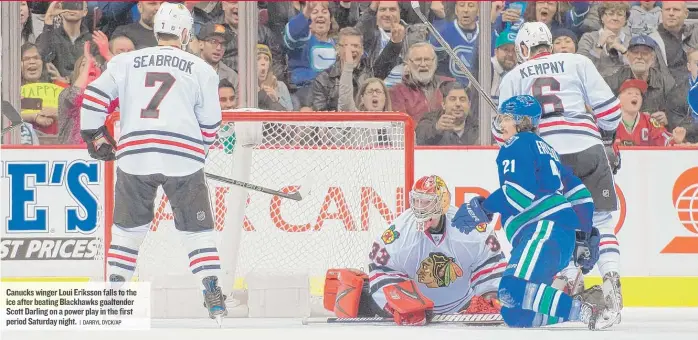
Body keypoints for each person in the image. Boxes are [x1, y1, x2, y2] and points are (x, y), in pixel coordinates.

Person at [78, 3, 226, 323]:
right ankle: (212, 291)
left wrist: (95, 136)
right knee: (197, 232)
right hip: (183, 161)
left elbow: (93, 97)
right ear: (185, 34)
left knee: (127, 232)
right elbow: (212, 124)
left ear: (157, 30)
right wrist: (199, 153)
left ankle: (116, 290)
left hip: (136, 157)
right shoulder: (201, 68)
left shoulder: (125, 62)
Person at [496, 22, 623, 322]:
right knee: (602, 223)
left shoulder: (513, 76)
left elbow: (502, 133)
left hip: (545, 154)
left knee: (557, 225)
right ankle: (612, 285)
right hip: (588, 147)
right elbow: (611, 112)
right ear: (549, 45)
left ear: (524, 50)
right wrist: (605, 140)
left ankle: (568, 283)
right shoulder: (578, 61)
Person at [453, 95, 612, 330]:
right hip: (554, 234)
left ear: (522, 121)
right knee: (515, 314)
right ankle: (575, 304)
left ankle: (588, 311)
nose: (501, 123)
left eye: (506, 118)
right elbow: (581, 195)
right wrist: (584, 235)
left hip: (542, 229)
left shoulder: (516, 144)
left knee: (510, 288)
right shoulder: (547, 150)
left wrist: (482, 208)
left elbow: (518, 195)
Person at [323, 175, 507, 326]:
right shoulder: (400, 233)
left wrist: (488, 295)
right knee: (355, 299)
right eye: (417, 201)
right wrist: (397, 305)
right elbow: (381, 269)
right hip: (415, 311)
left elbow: (490, 262)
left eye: (427, 202)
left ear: (442, 202)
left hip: (463, 307)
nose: (419, 208)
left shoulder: (469, 229)